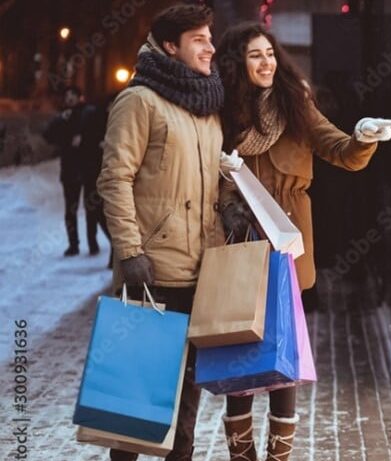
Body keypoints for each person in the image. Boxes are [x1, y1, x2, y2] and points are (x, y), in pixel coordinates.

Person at [214, 22, 391, 461]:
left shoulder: (295, 101)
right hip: (237, 241)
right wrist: (218, 179)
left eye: (270, 53)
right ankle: (242, 456)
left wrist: (362, 137)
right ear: (237, 63)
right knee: (239, 359)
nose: (266, 62)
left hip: (285, 245)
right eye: (255, 55)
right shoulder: (219, 109)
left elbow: (337, 148)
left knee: (284, 362)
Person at [95, 4, 224, 460]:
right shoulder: (139, 100)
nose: (210, 46)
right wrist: (130, 251)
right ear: (171, 46)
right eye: (199, 39)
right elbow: (114, 179)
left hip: (200, 272)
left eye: (210, 37)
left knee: (185, 410)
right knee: (134, 405)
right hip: (152, 271)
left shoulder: (207, 105)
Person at [42, 86, 109, 257]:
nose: (69, 98)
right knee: (70, 209)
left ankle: (92, 243)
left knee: (92, 208)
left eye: (73, 95)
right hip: (70, 169)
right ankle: (73, 244)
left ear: (81, 97)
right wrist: (59, 121)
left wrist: (84, 139)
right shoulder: (63, 116)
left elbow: (101, 134)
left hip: (89, 167)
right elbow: (48, 136)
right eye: (67, 96)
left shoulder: (91, 112)